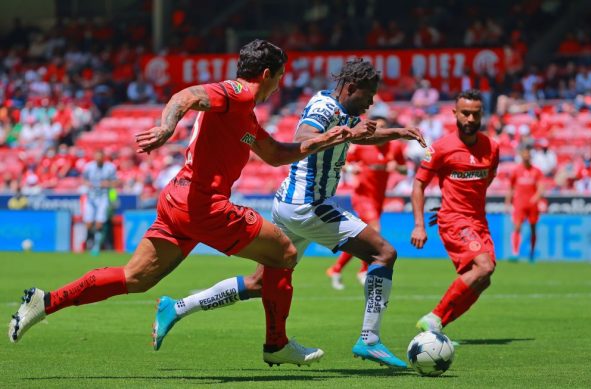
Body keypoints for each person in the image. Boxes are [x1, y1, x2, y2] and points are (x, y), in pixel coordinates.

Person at [8, 40, 371, 367]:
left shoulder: (244, 116)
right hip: (203, 205)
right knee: (284, 253)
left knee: (134, 278)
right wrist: (166, 127)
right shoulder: (238, 93)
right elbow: (187, 95)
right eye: (279, 77)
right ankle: (276, 344)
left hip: (178, 201)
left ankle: (46, 300)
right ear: (266, 74)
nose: (279, 85)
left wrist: (327, 139)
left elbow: (275, 154)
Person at [152, 59, 427, 369]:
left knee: (259, 283)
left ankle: (176, 308)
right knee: (383, 254)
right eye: (369, 95)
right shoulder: (324, 108)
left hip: (290, 204)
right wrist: (350, 133)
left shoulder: (341, 111)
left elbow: (357, 134)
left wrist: (398, 133)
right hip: (307, 206)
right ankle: (370, 340)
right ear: (351, 88)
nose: (372, 102)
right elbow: (302, 140)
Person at [410, 89, 500, 333]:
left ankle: (436, 328)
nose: (470, 119)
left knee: (483, 279)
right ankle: (435, 316)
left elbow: (485, 181)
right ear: (455, 114)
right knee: (484, 267)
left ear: (482, 115)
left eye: (475, 114)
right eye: (465, 114)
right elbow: (418, 185)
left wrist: (461, 197)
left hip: (479, 222)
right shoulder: (440, 148)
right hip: (454, 220)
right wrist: (419, 224)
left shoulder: (492, 148)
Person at [326, 113, 407, 290]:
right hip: (363, 196)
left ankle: (336, 268)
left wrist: (398, 168)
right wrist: (351, 168)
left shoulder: (395, 147)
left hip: (379, 198)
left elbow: (405, 170)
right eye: (377, 127)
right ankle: (364, 270)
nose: (380, 131)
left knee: (361, 235)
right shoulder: (363, 145)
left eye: (384, 127)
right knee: (374, 231)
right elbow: (344, 162)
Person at [506, 146, 544, 262]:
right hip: (519, 203)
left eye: (528, 155)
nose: (526, 157)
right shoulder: (516, 171)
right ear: (522, 156)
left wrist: (536, 197)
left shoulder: (536, 171)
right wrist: (508, 202)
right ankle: (515, 253)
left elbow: (541, 188)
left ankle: (531, 253)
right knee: (517, 227)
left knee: (533, 228)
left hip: (532, 204)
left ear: (530, 156)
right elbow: (511, 188)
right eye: (524, 154)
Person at [82, 149, 119, 255]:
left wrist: (108, 184)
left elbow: (116, 182)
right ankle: (90, 241)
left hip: (103, 198)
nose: (98, 159)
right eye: (96, 157)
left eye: (100, 157)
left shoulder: (110, 167)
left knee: (99, 223)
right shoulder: (89, 167)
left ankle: (96, 246)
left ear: (103, 157)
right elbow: (83, 179)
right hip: (90, 197)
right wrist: (87, 184)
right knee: (88, 224)